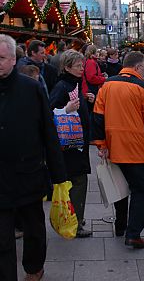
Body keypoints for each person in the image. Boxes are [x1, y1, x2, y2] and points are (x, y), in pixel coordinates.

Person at [0, 35, 67, 281]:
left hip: (28, 174)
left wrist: (59, 175)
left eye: (2, 58)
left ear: (12, 58)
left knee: (34, 229)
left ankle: (34, 268)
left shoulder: (31, 88)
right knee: (3, 238)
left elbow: (48, 132)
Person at [92, 51, 144, 249]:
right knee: (138, 191)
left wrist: (102, 144)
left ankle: (120, 226)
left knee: (119, 189)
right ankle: (133, 234)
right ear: (137, 67)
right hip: (136, 148)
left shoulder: (107, 84)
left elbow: (98, 116)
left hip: (114, 146)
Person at [50, 50, 95, 238]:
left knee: (77, 179)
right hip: (70, 146)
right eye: (78, 65)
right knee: (79, 180)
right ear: (67, 67)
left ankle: (74, 216)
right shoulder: (62, 85)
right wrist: (65, 109)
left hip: (75, 144)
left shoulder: (72, 84)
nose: (82, 68)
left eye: (82, 65)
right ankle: (76, 223)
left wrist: (85, 100)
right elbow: (50, 110)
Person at [82, 44, 106, 112]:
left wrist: (100, 75)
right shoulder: (91, 62)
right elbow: (91, 78)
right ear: (94, 52)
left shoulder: (90, 61)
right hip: (92, 89)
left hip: (91, 88)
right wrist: (103, 79)